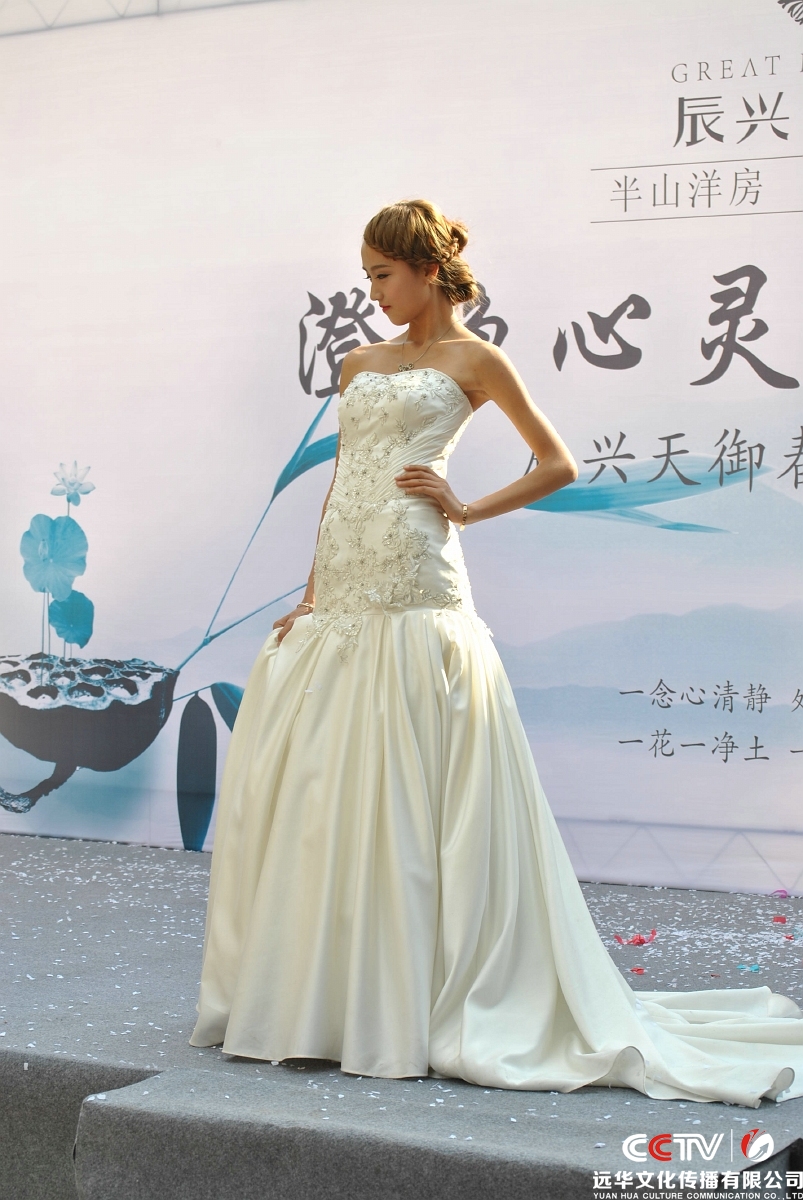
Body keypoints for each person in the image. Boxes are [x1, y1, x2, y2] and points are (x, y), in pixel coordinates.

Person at [191, 199, 803, 1105]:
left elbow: (557, 463)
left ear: (426, 272)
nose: (372, 293)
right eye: (364, 277)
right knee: (328, 778)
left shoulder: (477, 361)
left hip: (417, 573)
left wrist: (465, 508)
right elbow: (341, 482)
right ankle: (330, 995)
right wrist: (311, 595)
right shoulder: (358, 362)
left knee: (414, 775)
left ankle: (412, 991)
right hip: (347, 580)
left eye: (382, 276)